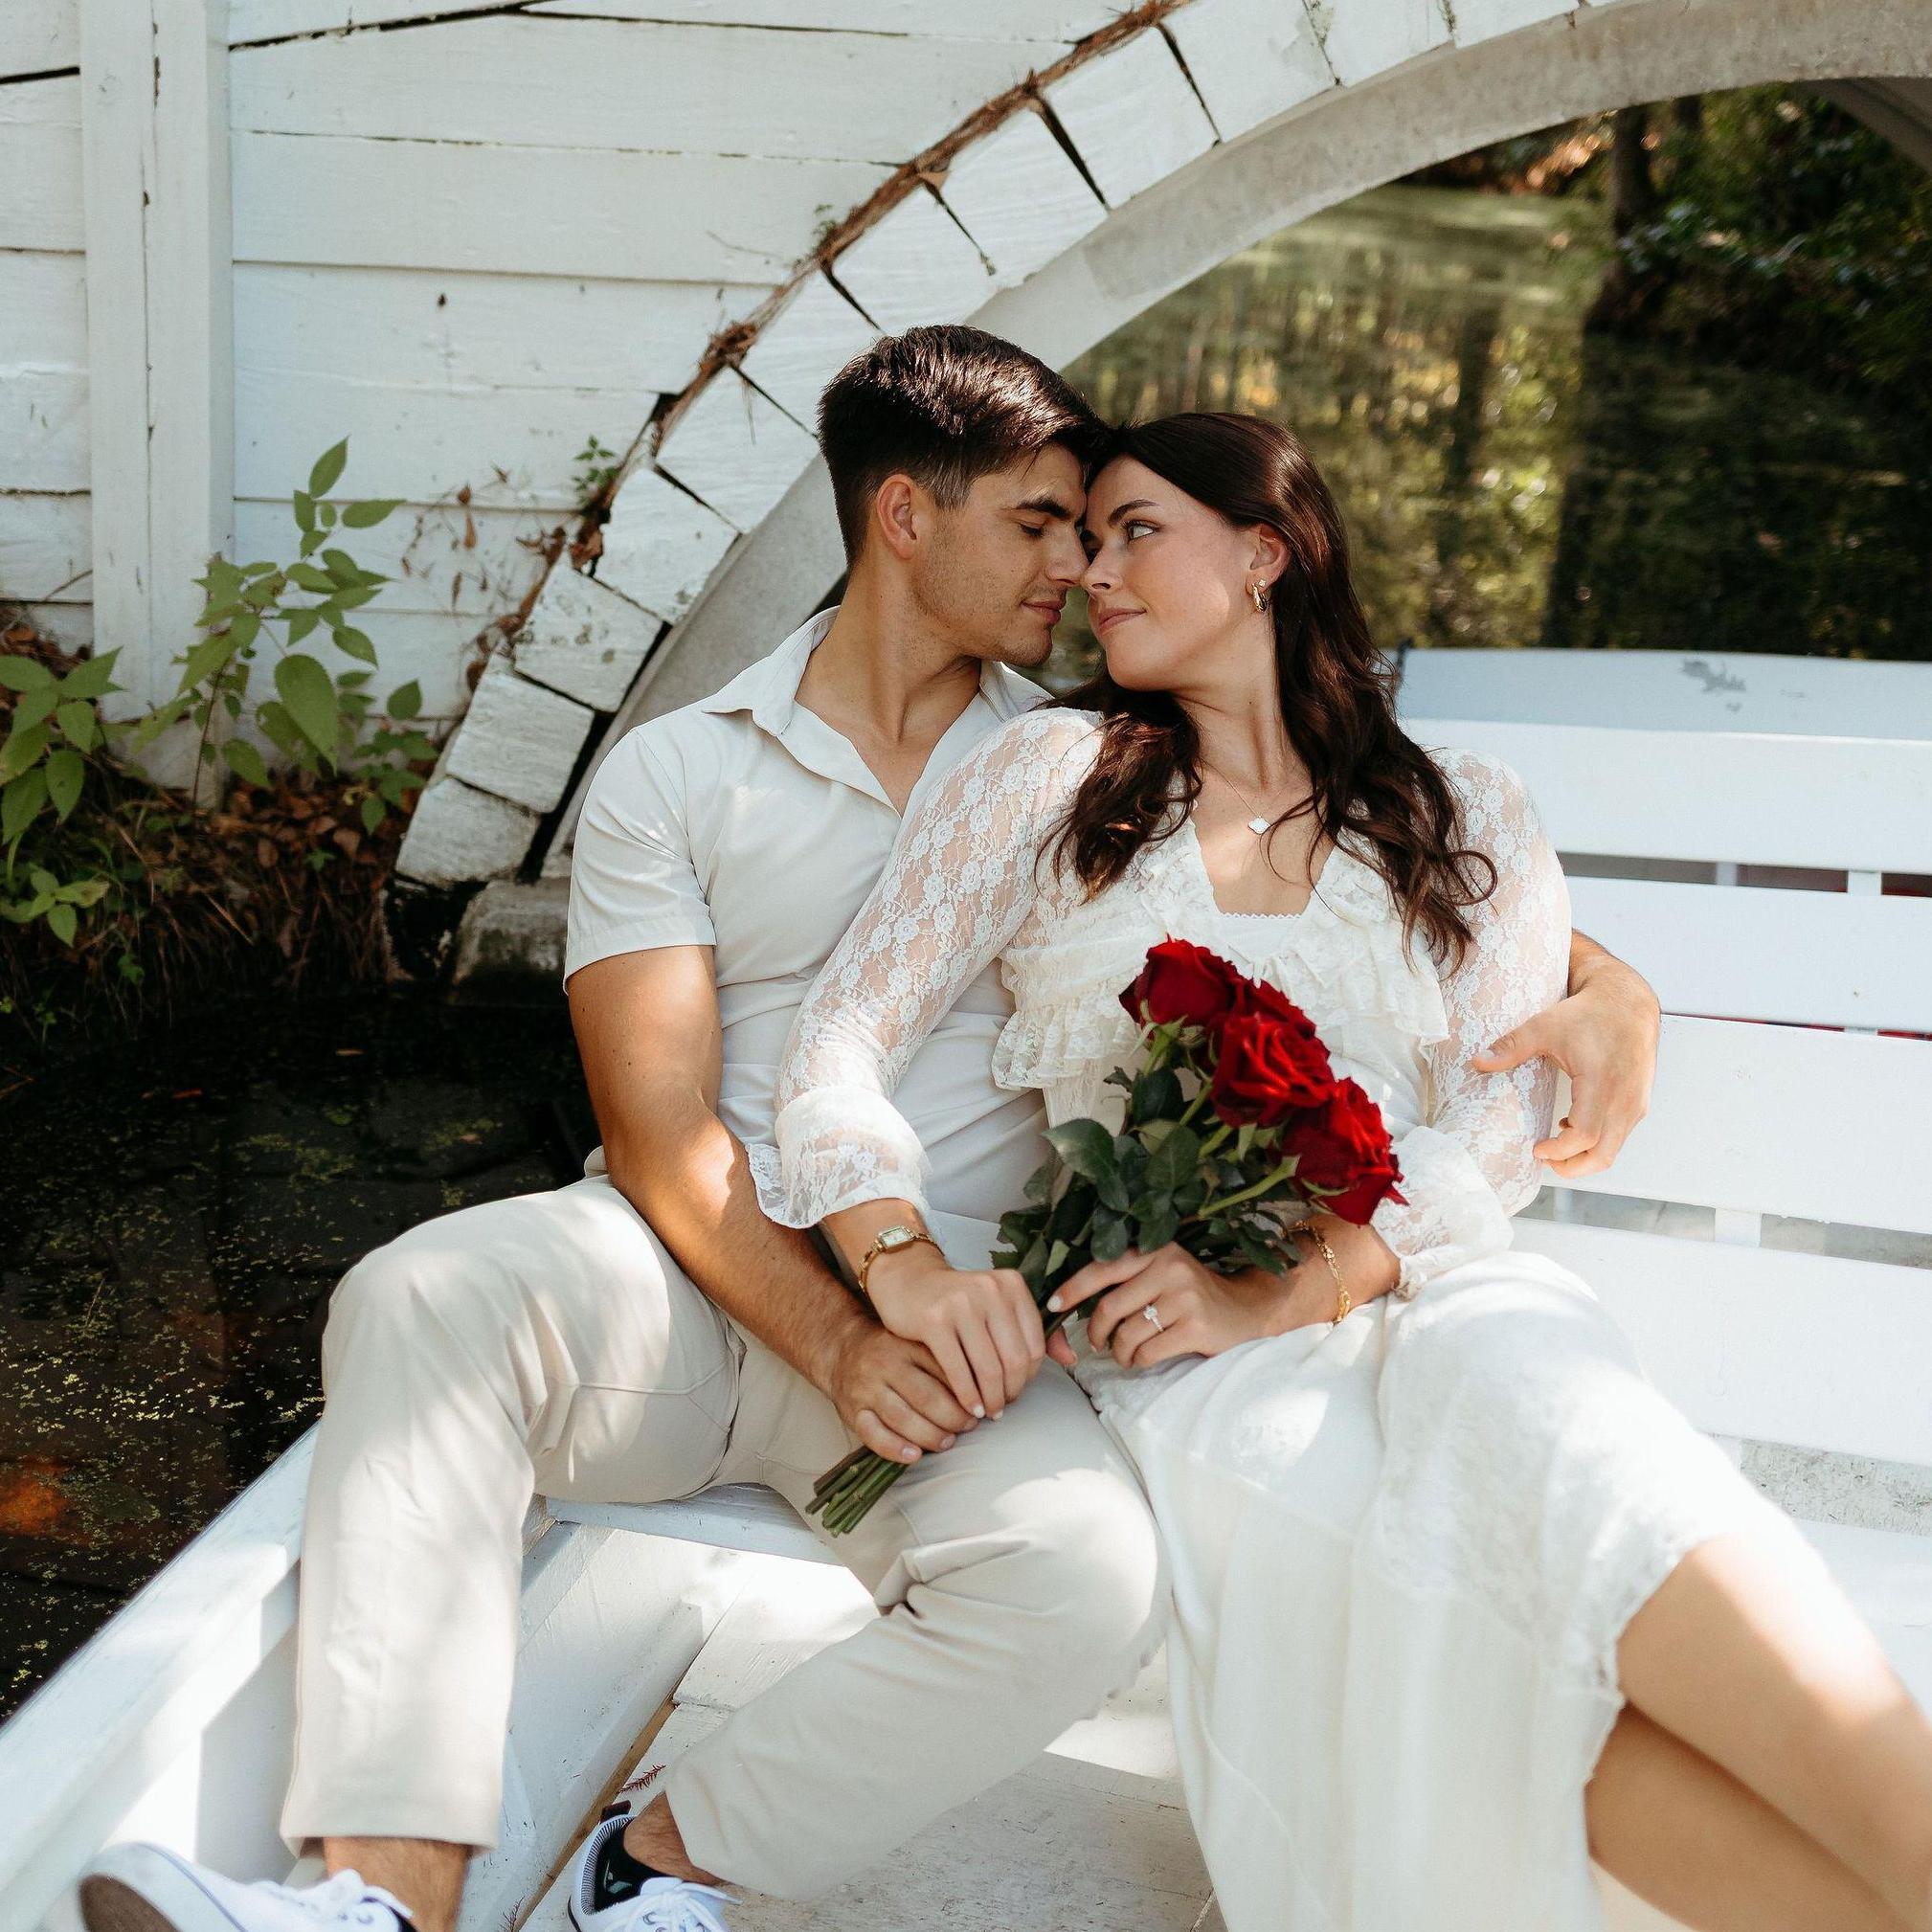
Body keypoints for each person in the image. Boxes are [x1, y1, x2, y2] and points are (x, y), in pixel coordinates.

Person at [76, 334, 1663, 1932]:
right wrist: (848, 1327)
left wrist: (1612, 987)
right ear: (903, 516)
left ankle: (661, 1861)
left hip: (982, 1338)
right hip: (689, 1278)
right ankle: (377, 1899)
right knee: (422, 1289)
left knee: (1081, 1576)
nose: (1079, 567)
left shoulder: (1095, 766)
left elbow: (1351, 897)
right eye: (1044, 524)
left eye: (1107, 531)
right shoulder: (678, 774)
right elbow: (658, 1129)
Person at [763, 411, 1932, 1932]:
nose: (1089, 571)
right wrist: (899, 1260)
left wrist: (1297, 1280)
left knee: (1586, 1456)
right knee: (1460, 1661)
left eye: (1132, 531)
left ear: (1262, 553)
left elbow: (1494, 1135)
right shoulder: (1048, 778)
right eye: (1078, 537)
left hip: (1437, 1291)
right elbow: (839, 1035)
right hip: (1192, 1370)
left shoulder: (1464, 813)